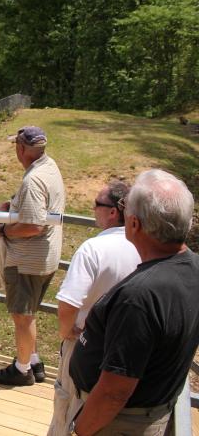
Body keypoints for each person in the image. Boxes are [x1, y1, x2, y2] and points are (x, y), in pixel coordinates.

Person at [68, 169, 199, 436]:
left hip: (117, 423)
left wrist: (78, 430)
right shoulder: (193, 267)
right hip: (146, 411)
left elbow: (114, 393)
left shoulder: (138, 297)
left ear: (135, 224)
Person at [47, 181, 140, 436]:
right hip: (124, 352)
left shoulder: (93, 249)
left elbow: (68, 302)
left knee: (67, 401)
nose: (92, 208)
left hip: (85, 344)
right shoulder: (144, 247)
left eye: (98, 204)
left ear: (113, 212)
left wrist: (67, 331)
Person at [0, 126, 65, 386]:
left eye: (15, 146)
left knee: (22, 318)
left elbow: (34, 226)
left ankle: (22, 371)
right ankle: (34, 361)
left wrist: (2, 229)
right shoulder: (50, 167)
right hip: (45, 259)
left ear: (22, 149)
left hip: (26, 263)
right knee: (29, 313)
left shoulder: (32, 181)